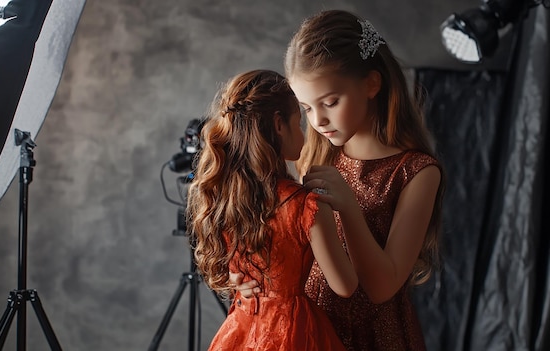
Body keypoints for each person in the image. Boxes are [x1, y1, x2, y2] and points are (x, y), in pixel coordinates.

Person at [231, 10, 445, 351]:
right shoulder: (310, 157)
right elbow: (278, 238)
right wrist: (246, 277)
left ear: (372, 84)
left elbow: (382, 287)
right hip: (309, 328)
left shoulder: (417, 172)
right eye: (305, 108)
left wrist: (347, 205)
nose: (318, 120)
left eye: (330, 102)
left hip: (376, 337)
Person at [187, 69, 359, 350]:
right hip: (292, 332)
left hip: (241, 328)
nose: (305, 131)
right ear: (279, 124)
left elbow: (235, 267)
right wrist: (349, 210)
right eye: (299, 121)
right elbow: (345, 286)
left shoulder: (227, 197)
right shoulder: (306, 206)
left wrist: (236, 280)